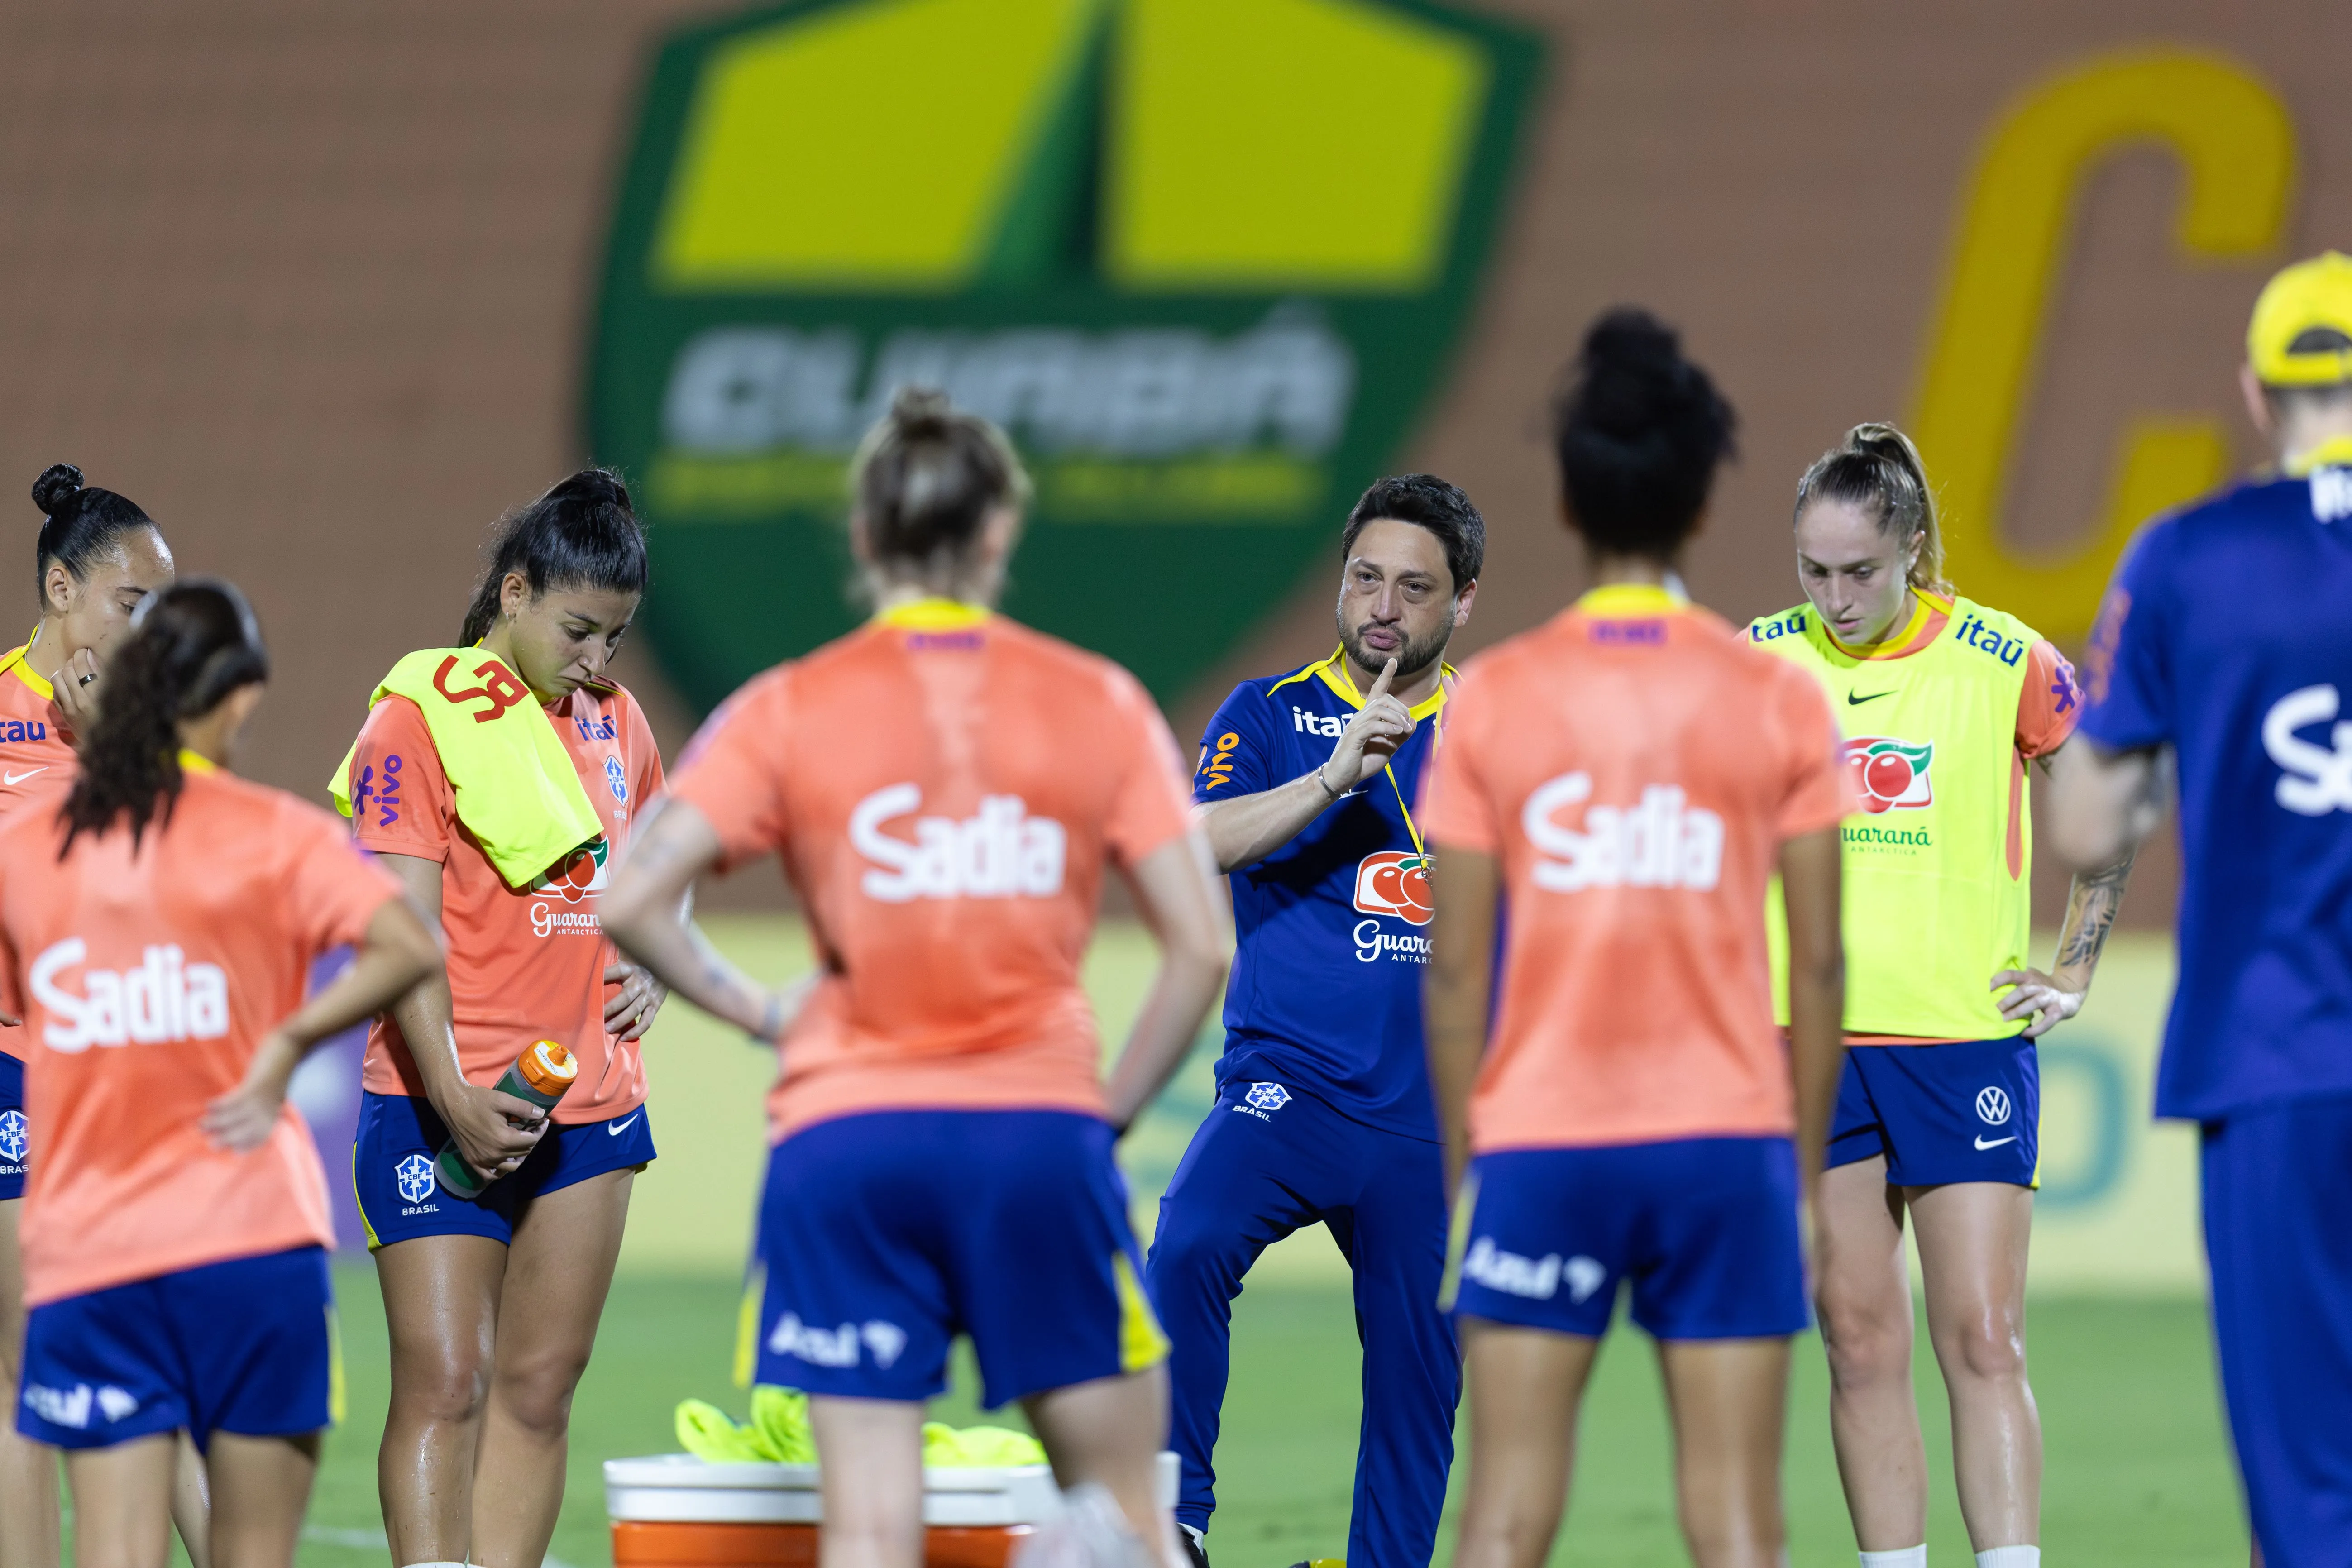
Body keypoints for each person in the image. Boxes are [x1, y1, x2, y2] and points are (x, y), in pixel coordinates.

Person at [601, 387, 1229, 1568]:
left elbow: (631, 897)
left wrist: (760, 1011)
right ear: (998, 535)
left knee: (872, 1531)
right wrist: (1107, 1115)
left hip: (847, 1140)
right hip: (1035, 1132)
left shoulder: (786, 704)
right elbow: (1201, 946)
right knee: (1126, 1518)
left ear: (861, 536)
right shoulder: (1096, 701)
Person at [1420, 310, 1850, 1568]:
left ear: (1566, 501)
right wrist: (1806, 1177)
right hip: (1723, 1145)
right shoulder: (1773, 693)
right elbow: (1818, 963)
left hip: (1544, 1140)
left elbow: (1454, 970)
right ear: (1701, 507)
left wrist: (1464, 1171)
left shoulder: (1495, 697)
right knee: (1734, 1523)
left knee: (1501, 1516)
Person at [1748, 424, 2137, 1568]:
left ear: (1912, 548)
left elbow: (2102, 816)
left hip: (1961, 1041)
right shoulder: (1757, 660)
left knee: (1982, 1334)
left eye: (1859, 572)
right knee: (1860, 1340)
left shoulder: (2004, 658)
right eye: (1812, 572)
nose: (1835, 597)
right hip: (1807, 1043)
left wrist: (2074, 963)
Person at [0, 580, 439, 1568]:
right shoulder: (275, 837)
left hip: (90, 1247)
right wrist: (288, 1042)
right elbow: (411, 942)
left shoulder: (34, 844)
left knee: (114, 1549)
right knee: (251, 1552)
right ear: (241, 699)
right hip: (253, 1240)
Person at [2046, 250, 2352, 1568]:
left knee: (2308, 1477)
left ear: (2253, 390)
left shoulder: (2186, 559)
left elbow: (2088, 824)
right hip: (2273, 1045)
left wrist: (2167, 754)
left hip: (2274, 1047)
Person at [337, 470, 671, 1568]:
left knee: (537, 1391)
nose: (598, 664)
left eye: (616, 639)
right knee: (446, 1381)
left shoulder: (618, 724)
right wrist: (453, 1093)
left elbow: (660, 866)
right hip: (442, 1103)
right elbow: (400, 931)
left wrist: (660, 962)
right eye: (579, 630)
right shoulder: (416, 719)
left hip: (592, 1110)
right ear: (515, 592)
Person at [1145, 473, 1480, 1568]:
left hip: (1434, 1118)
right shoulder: (1269, 714)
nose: (1383, 605)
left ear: (1462, 602)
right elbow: (1193, 840)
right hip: (1289, 1090)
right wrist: (1337, 777)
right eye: (1366, 578)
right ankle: (1173, 1521)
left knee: (1421, 1370)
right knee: (1188, 1240)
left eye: (1414, 587)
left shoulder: (1500, 733)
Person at [0, 465, 203, 1568]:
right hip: (17, 1073)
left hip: (132, 1077)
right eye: (136, 604)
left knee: (152, 1363)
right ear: (62, 587)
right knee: (29, 1361)